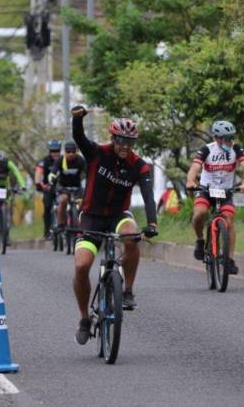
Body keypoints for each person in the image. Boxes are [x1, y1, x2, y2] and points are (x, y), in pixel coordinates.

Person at [71, 105, 158, 345]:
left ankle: (127, 291)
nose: (124, 146)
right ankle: (84, 319)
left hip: (119, 215)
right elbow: (78, 137)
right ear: (113, 138)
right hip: (91, 216)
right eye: (120, 141)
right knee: (81, 266)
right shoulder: (97, 153)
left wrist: (151, 223)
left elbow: (149, 196)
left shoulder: (140, 165)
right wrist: (77, 119)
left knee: (132, 236)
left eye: (129, 142)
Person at [185, 120, 244, 274]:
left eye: (231, 137)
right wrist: (190, 180)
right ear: (217, 138)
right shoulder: (206, 150)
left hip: (226, 191)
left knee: (229, 221)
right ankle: (200, 241)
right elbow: (195, 167)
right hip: (206, 190)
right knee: (199, 214)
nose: (229, 141)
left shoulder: (236, 148)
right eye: (225, 138)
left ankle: (229, 260)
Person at [48, 139, 87, 229]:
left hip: (77, 187)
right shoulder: (60, 160)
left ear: (76, 151)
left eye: (73, 151)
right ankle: (61, 224)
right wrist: (51, 177)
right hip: (63, 187)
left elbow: (88, 172)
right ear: (65, 152)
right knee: (63, 200)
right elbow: (53, 171)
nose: (71, 154)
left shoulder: (80, 160)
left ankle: (81, 224)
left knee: (82, 204)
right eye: (68, 151)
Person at [35, 139, 61, 238]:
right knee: (47, 207)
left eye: (57, 151)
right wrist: (39, 184)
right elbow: (38, 172)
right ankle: (47, 231)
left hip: (61, 187)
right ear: (49, 151)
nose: (55, 153)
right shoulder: (44, 161)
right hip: (48, 188)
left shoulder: (63, 160)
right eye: (53, 151)